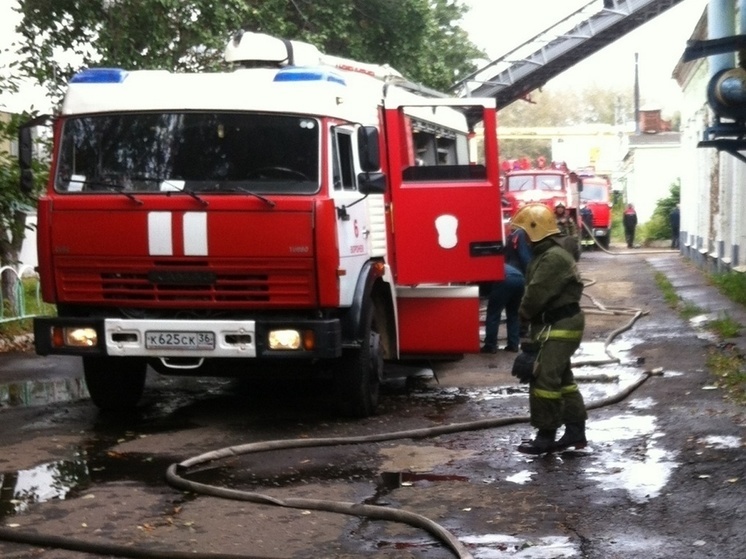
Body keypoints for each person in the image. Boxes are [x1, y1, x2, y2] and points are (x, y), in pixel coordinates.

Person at [510, 203, 587, 455]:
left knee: (544, 379)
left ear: (535, 232)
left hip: (560, 325)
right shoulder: (547, 255)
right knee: (563, 380)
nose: (522, 239)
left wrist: (522, 316)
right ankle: (575, 433)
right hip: (554, 324)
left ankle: (546, 436)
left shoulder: (552, 258)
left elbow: (535, 294)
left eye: (524, 233)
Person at [481, 263, 525, 354]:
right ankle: (513, 345)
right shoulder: (497, 262)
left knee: (493, 314)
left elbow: (484, 285)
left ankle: (490, 346)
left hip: (505, 279)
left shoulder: (483, 266)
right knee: (513, 314)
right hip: (520, 279)